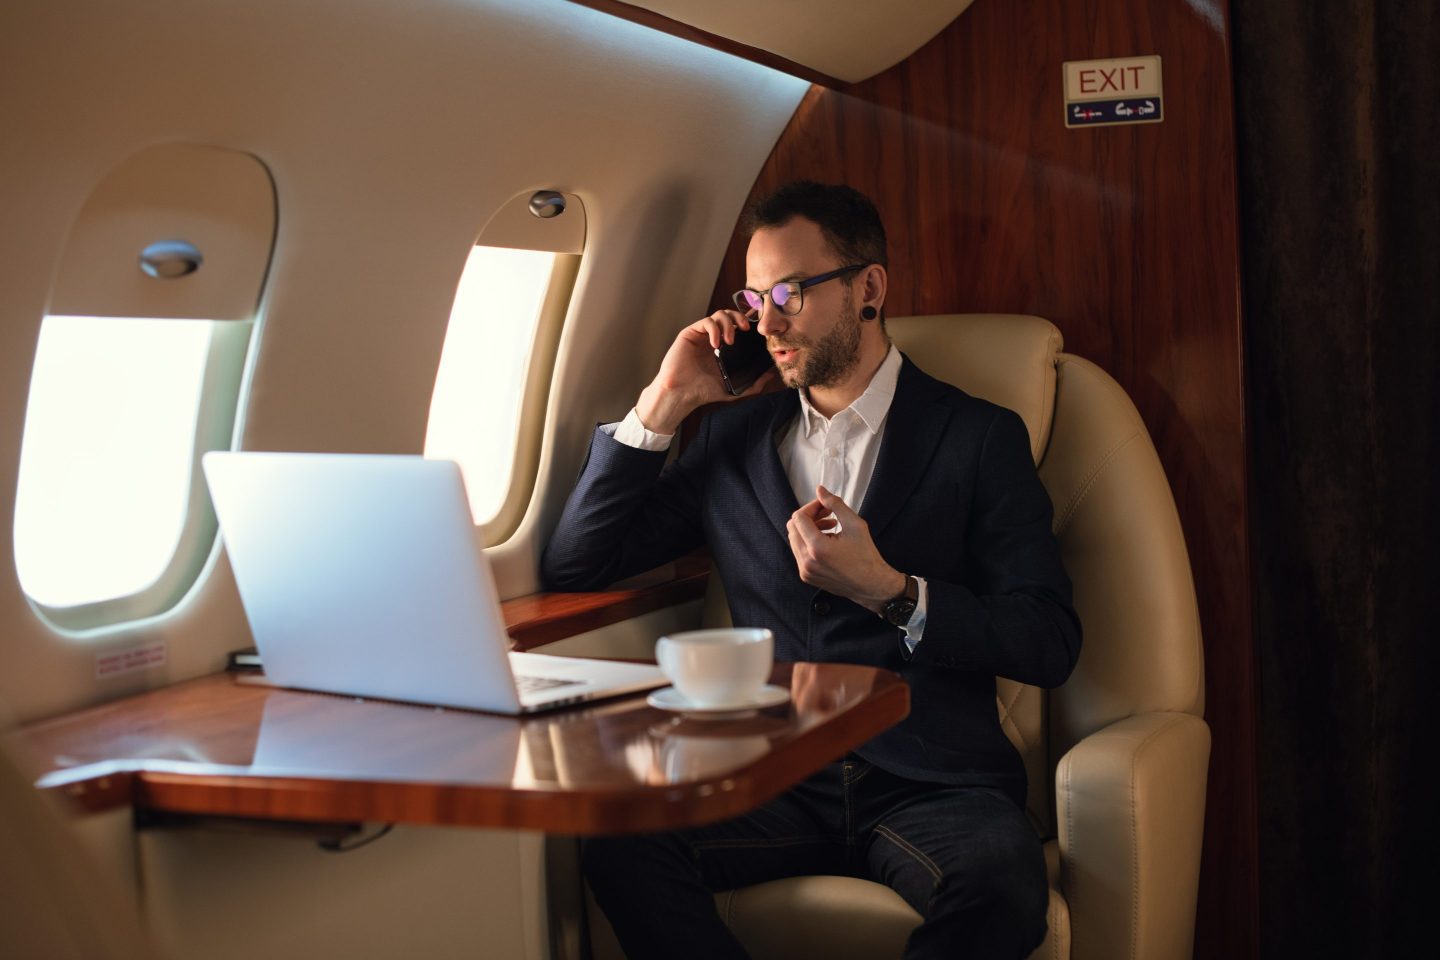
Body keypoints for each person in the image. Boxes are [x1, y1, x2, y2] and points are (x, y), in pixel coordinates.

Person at [541, 181, 1081, 960]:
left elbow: (1048, 638)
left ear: (869, 288)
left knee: (1001, 889)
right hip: (775, 776)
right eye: (754, 297)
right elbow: (576, 562)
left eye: (790, 291)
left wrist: (892, 593)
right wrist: (665, 402)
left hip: (932, 782)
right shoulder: (730, 440)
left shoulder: (977, 437)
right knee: (622, 846)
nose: (766, 319)